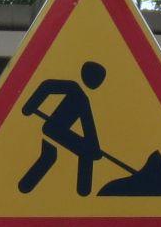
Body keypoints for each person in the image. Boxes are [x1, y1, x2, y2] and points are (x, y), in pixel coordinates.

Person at [19, 60, 109, 196]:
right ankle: (83, 191)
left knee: (85, 151)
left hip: (57, 131)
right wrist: (29, 106)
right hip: (53, 128)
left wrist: (95, 148)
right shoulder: (75, 89)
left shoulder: (83, 99)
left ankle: (84, 193)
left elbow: (88, 127)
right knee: (53, 157)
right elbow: (46, 86)